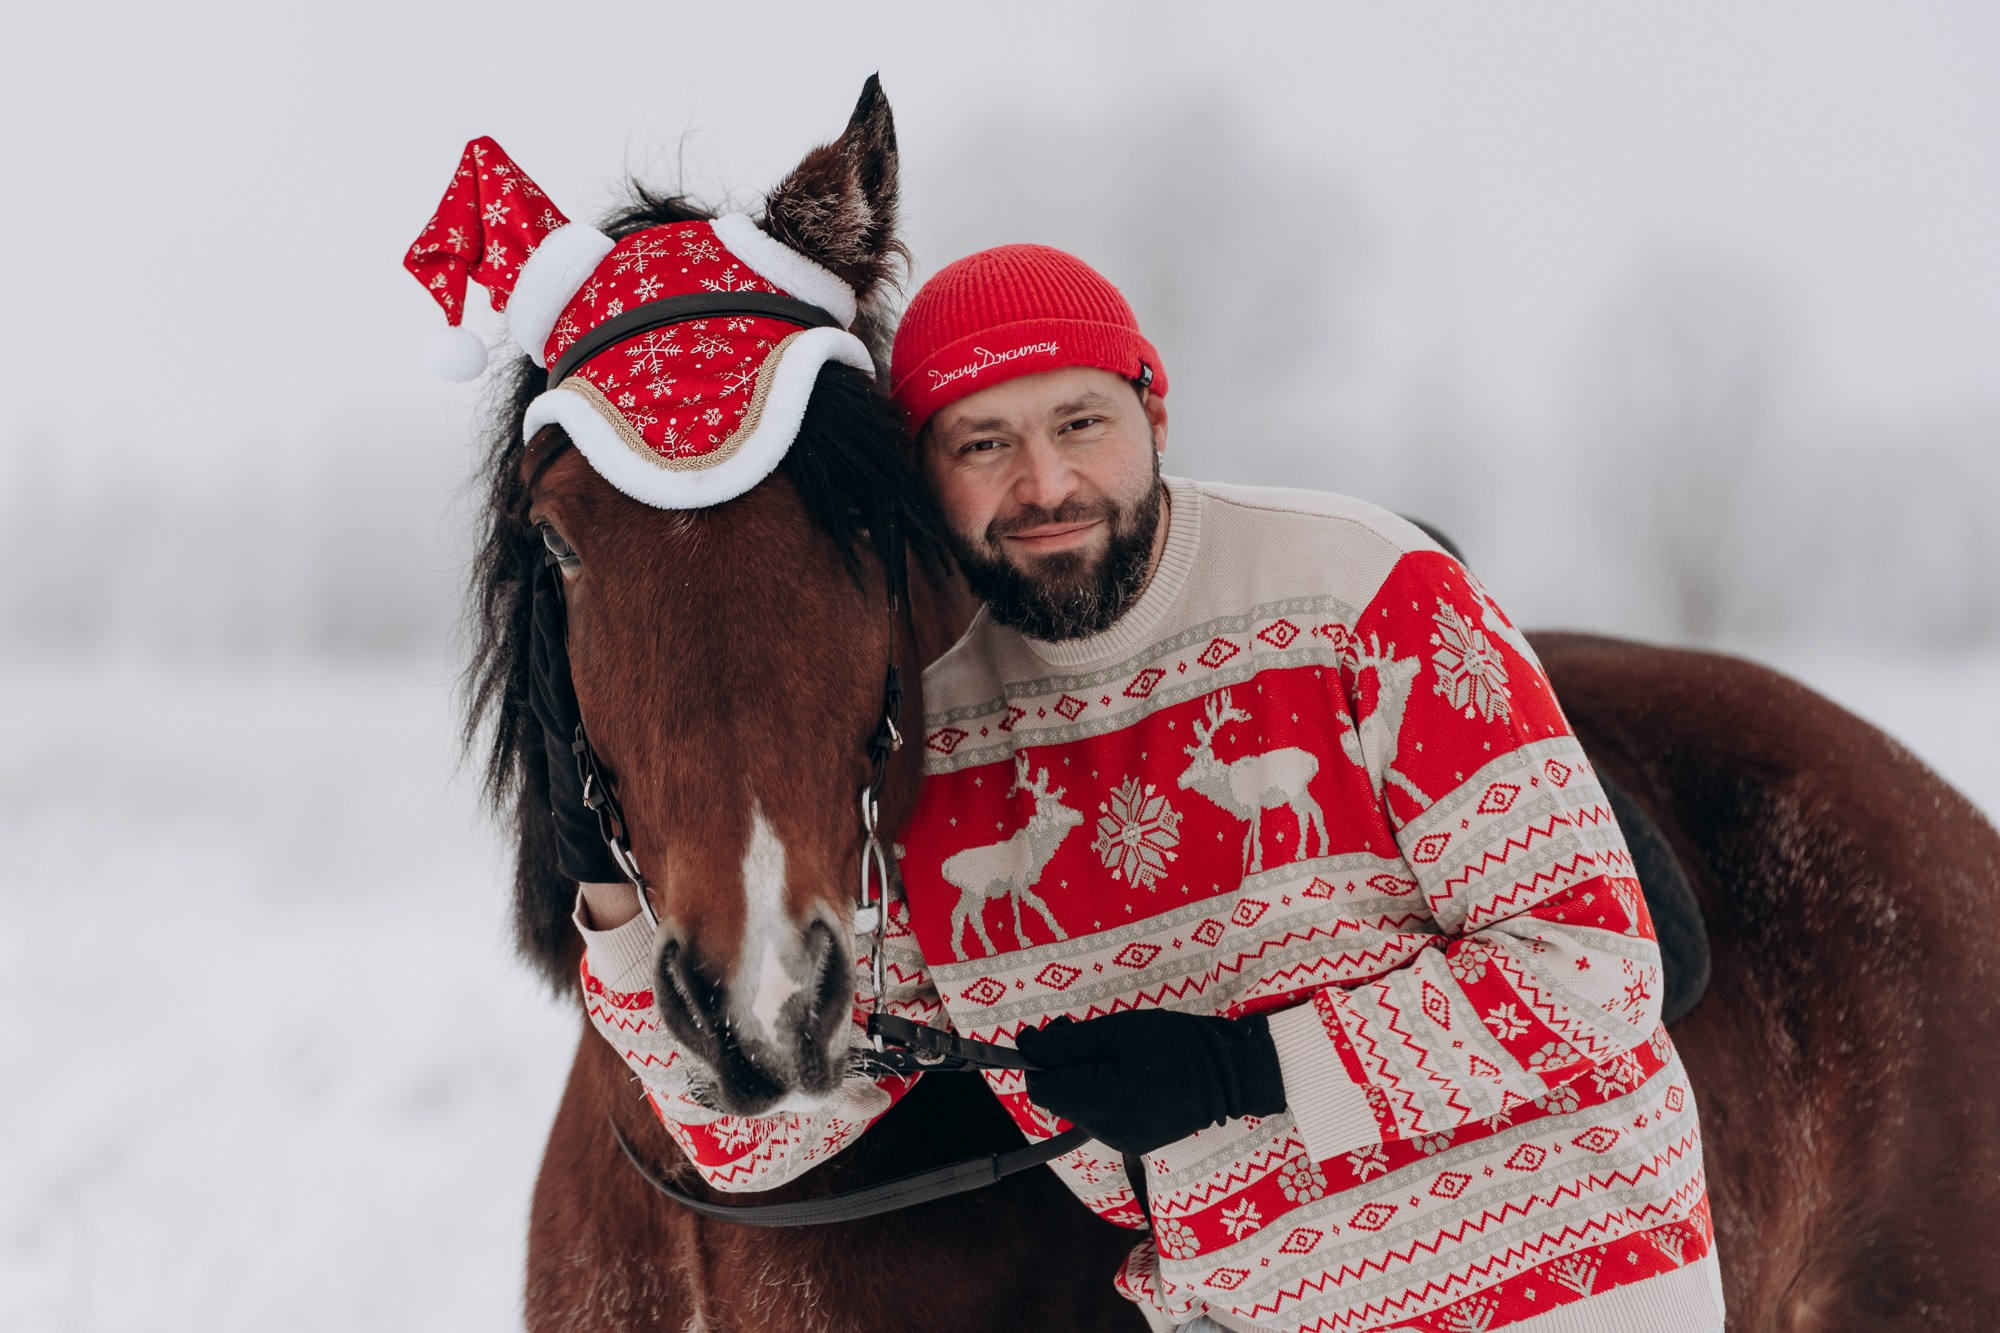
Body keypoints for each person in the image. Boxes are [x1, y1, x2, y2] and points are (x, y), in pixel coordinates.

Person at [570, 245, 1724, 1333]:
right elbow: (765, 1133)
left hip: (1562, 1290)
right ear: (923, 480)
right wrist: (612, 897)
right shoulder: (944, 736)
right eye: (981, 444)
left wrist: (1245, 1067)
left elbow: (1591, 967)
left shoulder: (1366, 592)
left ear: (1155, 414)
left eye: (1081, 423)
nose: (1045, 482)